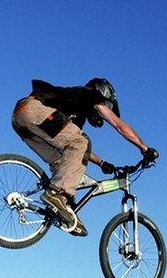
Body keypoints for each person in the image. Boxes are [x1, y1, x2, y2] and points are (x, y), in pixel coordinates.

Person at [11, 78, 158, 237]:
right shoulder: (90, 94)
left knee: (63, 159)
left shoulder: (75, 115)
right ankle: (57, 194)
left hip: (20, 119)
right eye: (107, 105)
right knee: (81, 141)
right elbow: (118, 125)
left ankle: (62, 209)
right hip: (34, 109)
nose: (104, 109)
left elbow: (76, 150)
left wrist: (102, 163)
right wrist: (144, 148)